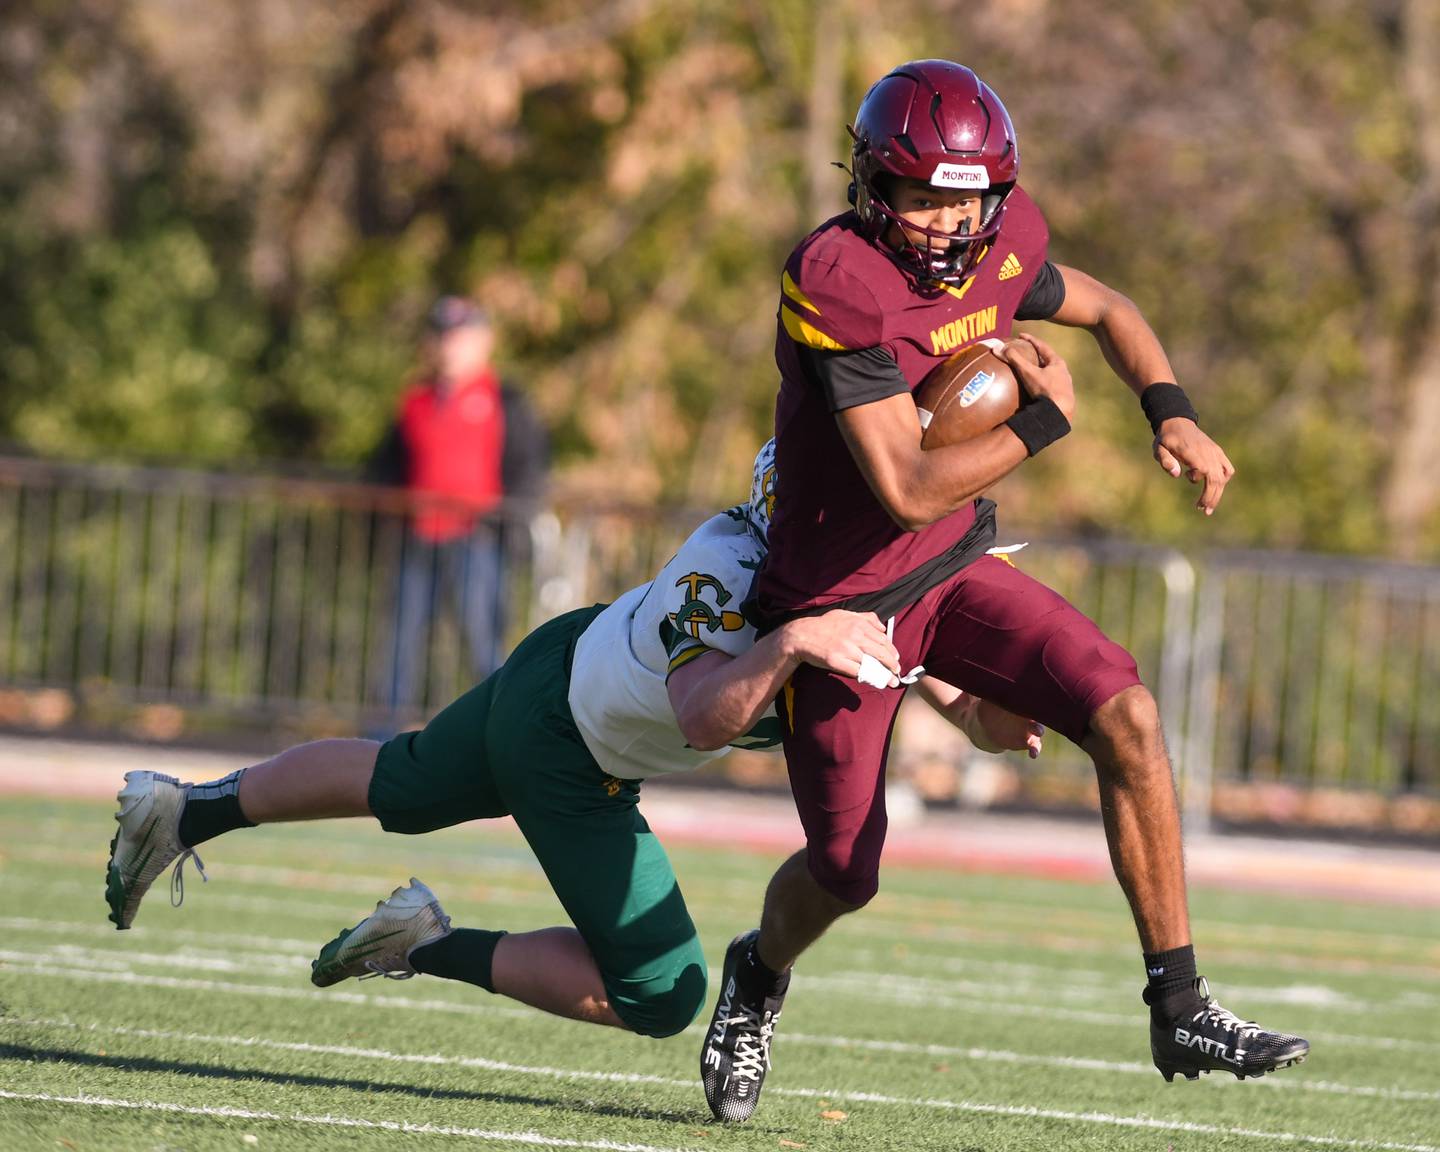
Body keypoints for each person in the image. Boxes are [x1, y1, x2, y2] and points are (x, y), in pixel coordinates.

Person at [697, 60, 1308, 1123]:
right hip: (839, 605)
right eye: (926, 196)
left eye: (968, 199)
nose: (950, 223)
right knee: (845, 870)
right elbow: (901, 487)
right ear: (872, 186)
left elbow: (1110, 309)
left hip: (952, 568)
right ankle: (757, 969)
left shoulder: (1006, 237)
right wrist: (1043, 423)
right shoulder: (839, 279)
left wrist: (1169, 408)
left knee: (1125, 710)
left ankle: (1180, 1002)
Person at [104, 440, 1041, 1045]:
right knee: (665, 994)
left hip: (571, 659)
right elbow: (702, 716)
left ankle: (188, 810)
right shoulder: (727, 570)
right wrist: (793, 641)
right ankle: (423, 945)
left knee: (402, 782)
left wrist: (992, 712)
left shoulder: (869, 581)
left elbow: (956, 698)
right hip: (573, 746)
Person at [367, 295, 548, 711]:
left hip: (476, 540)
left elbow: (529, 469)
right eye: (443, 337)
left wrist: (506, 525)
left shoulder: (506, 401)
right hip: (418, 538)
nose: (449, 347)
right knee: (397, 647)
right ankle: (380, 736)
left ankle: (501, 728)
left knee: (485, 649)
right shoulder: (416, 400)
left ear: (484, 342)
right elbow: (387, 466)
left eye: (460, 337)